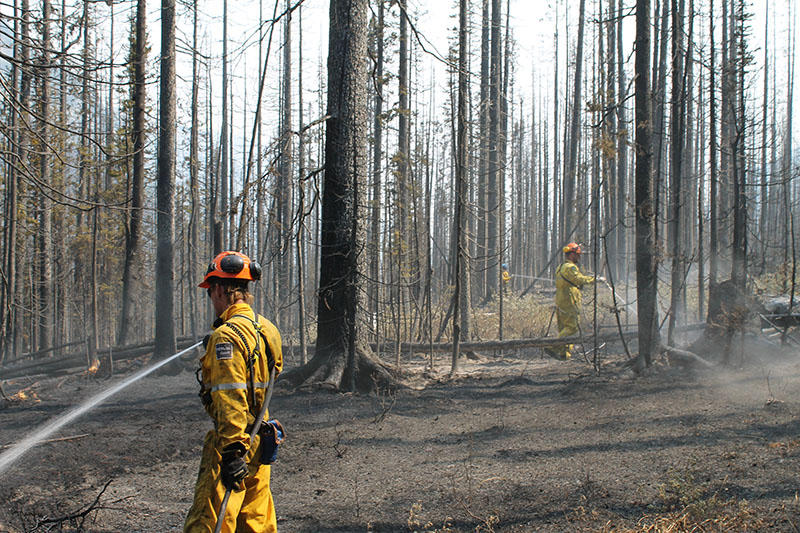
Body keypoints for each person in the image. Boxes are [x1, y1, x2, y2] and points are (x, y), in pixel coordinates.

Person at [185, 251, 283, 533]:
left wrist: (231, 452)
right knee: (256, 524)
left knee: (209, 523)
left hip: (232, 447)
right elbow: (268, 376)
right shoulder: (268, 329)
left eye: (210, 292)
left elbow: (231, 398)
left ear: (218, 289)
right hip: (260, 442)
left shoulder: (225, 336)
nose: (211, 299)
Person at [545, 243, 602, 360]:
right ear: (571, 255)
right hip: (569, 299)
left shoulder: (560, 267)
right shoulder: (570, 267)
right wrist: (594, 280)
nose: (579, 257)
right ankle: (553, 346)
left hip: (561, 299)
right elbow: (578, 279)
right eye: (577, 255)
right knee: (572, 327)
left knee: (564, 327)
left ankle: (564, 353)